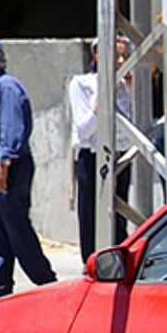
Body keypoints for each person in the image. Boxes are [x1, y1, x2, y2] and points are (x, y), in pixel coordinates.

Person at [0, 39, 56, 307]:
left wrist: (3, 163)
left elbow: (12, 128)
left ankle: (47, 283)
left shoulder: (7, 87)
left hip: (9, 167)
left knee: (15, 225)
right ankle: (0, 285)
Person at [68, 36, 134, 262]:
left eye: (124, 56)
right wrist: (101, 98)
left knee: (119, 212)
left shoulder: (128, 84)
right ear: (98, 55)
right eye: (117, 55)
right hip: (92, 154)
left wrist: (132, 89)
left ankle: (118, 259)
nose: (121, 61)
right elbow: (83, 129)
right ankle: (91, 261)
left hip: (121, 153)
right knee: (90, 213)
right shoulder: (81, 84)